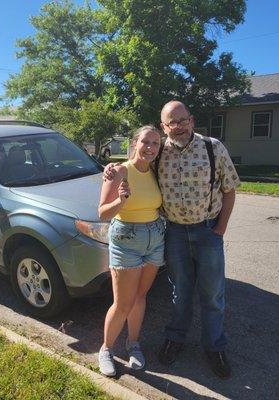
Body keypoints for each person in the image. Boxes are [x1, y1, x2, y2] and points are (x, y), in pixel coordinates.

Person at [104, 100, 240, 379]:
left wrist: (220, 229)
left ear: (192, 120)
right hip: (173, 232)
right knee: (180, 291)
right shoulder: (158, 151)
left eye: (183, 120)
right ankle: (175, 339)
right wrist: (110, 168)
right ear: (164, 126)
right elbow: (136, 164)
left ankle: (214, 347)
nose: (178, 127)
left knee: (212, 293)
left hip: (208, 231)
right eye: (171, 123)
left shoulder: (214, 148)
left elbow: (230, 190)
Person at [97, 125, 165, 377]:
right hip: (127, 238)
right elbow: (103, 213)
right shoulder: (120, 171)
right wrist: (121, 201)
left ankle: (133, 344)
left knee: (140, 296)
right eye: (146, 142)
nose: (150, 147)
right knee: (123, 303)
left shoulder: (157, 170)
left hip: (155, 237)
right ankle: (106, 349)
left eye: (156, 143)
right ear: (134, 143)